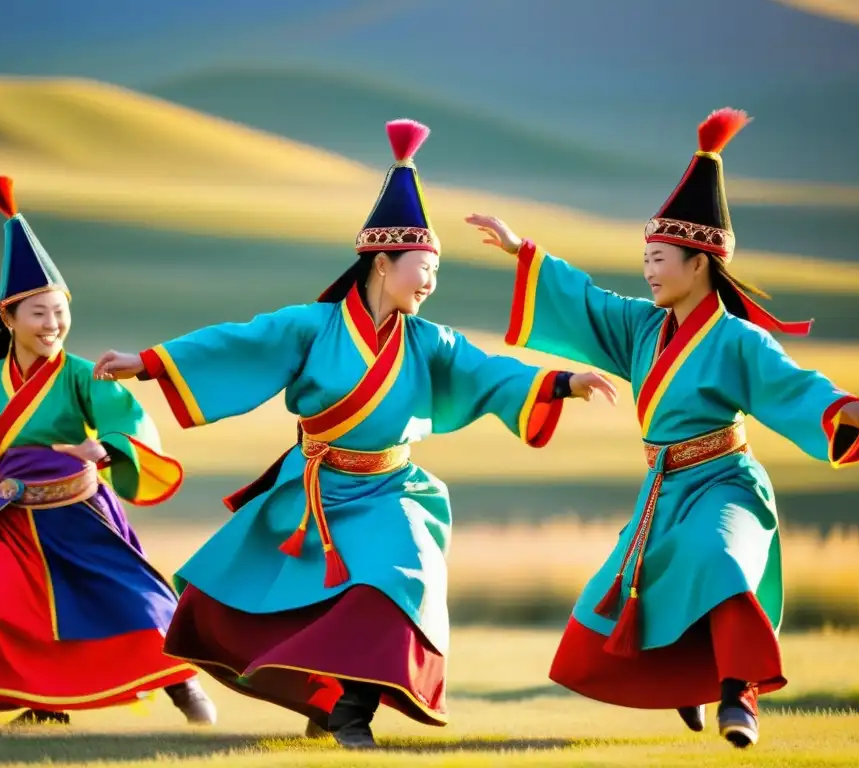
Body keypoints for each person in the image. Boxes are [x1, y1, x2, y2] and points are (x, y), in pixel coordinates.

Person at [92, 119, 616, 749]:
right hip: (315, 488)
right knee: (285, 599)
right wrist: (147, 362)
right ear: (382, 262)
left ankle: (353, 712)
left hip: (393, 488)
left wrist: (562, 383)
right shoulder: (311, 327)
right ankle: (328, 701)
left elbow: (488, 371)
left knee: (397, 579)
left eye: (435, 272)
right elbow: (238, 342)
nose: (429, 282)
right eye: (421, 268)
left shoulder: (429, 339)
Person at [465, 107, 859, 749]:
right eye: (647, 259)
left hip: (725, 483)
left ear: (699, 263)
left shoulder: (738, 339)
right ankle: (685, 684)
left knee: (720, 559)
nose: (650, 270)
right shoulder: (639, 326)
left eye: (660, 259)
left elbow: (789, 385)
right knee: (625, 595)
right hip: (663, 491)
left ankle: (738, 698)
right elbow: (586, 301)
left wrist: (839, 409)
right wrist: (523, 251)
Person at [0, 176, 217, 726]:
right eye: (39, 314)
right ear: (10, 320)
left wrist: (106, 448)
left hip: (82, 515)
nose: (54, 324)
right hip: (15, 519)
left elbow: (128, 416)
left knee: (134, 607)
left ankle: (184, 687)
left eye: (60, 311)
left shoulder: (80, 374)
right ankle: (43, 707)